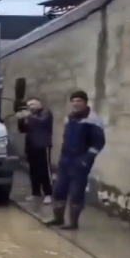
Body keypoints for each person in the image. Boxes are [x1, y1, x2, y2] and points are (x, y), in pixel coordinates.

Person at [45, 90, 105, 230]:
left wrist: (86, 160)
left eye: (79, 101)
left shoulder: (93, 120)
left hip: (80, 162)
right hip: (66, 160)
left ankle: (73, 223)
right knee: (59, 189)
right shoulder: (70, 118)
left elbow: (98, 143)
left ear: (85, 102)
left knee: (76, 192)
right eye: (73, 101)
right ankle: (58, 218)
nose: (75, 103)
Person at [17, 98, 54, 203]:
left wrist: (28, 116)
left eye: (32, 104)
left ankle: (48, 193)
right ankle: (35, 193)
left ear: (39, 104)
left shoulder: (46, 113)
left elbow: (41, 122)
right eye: (28, 105)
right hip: (31, 146)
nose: (30, 107)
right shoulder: (31, 116)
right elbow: (23, 129)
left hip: (43, 146)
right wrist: (20, 119)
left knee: (45, 170)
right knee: (33, 171)